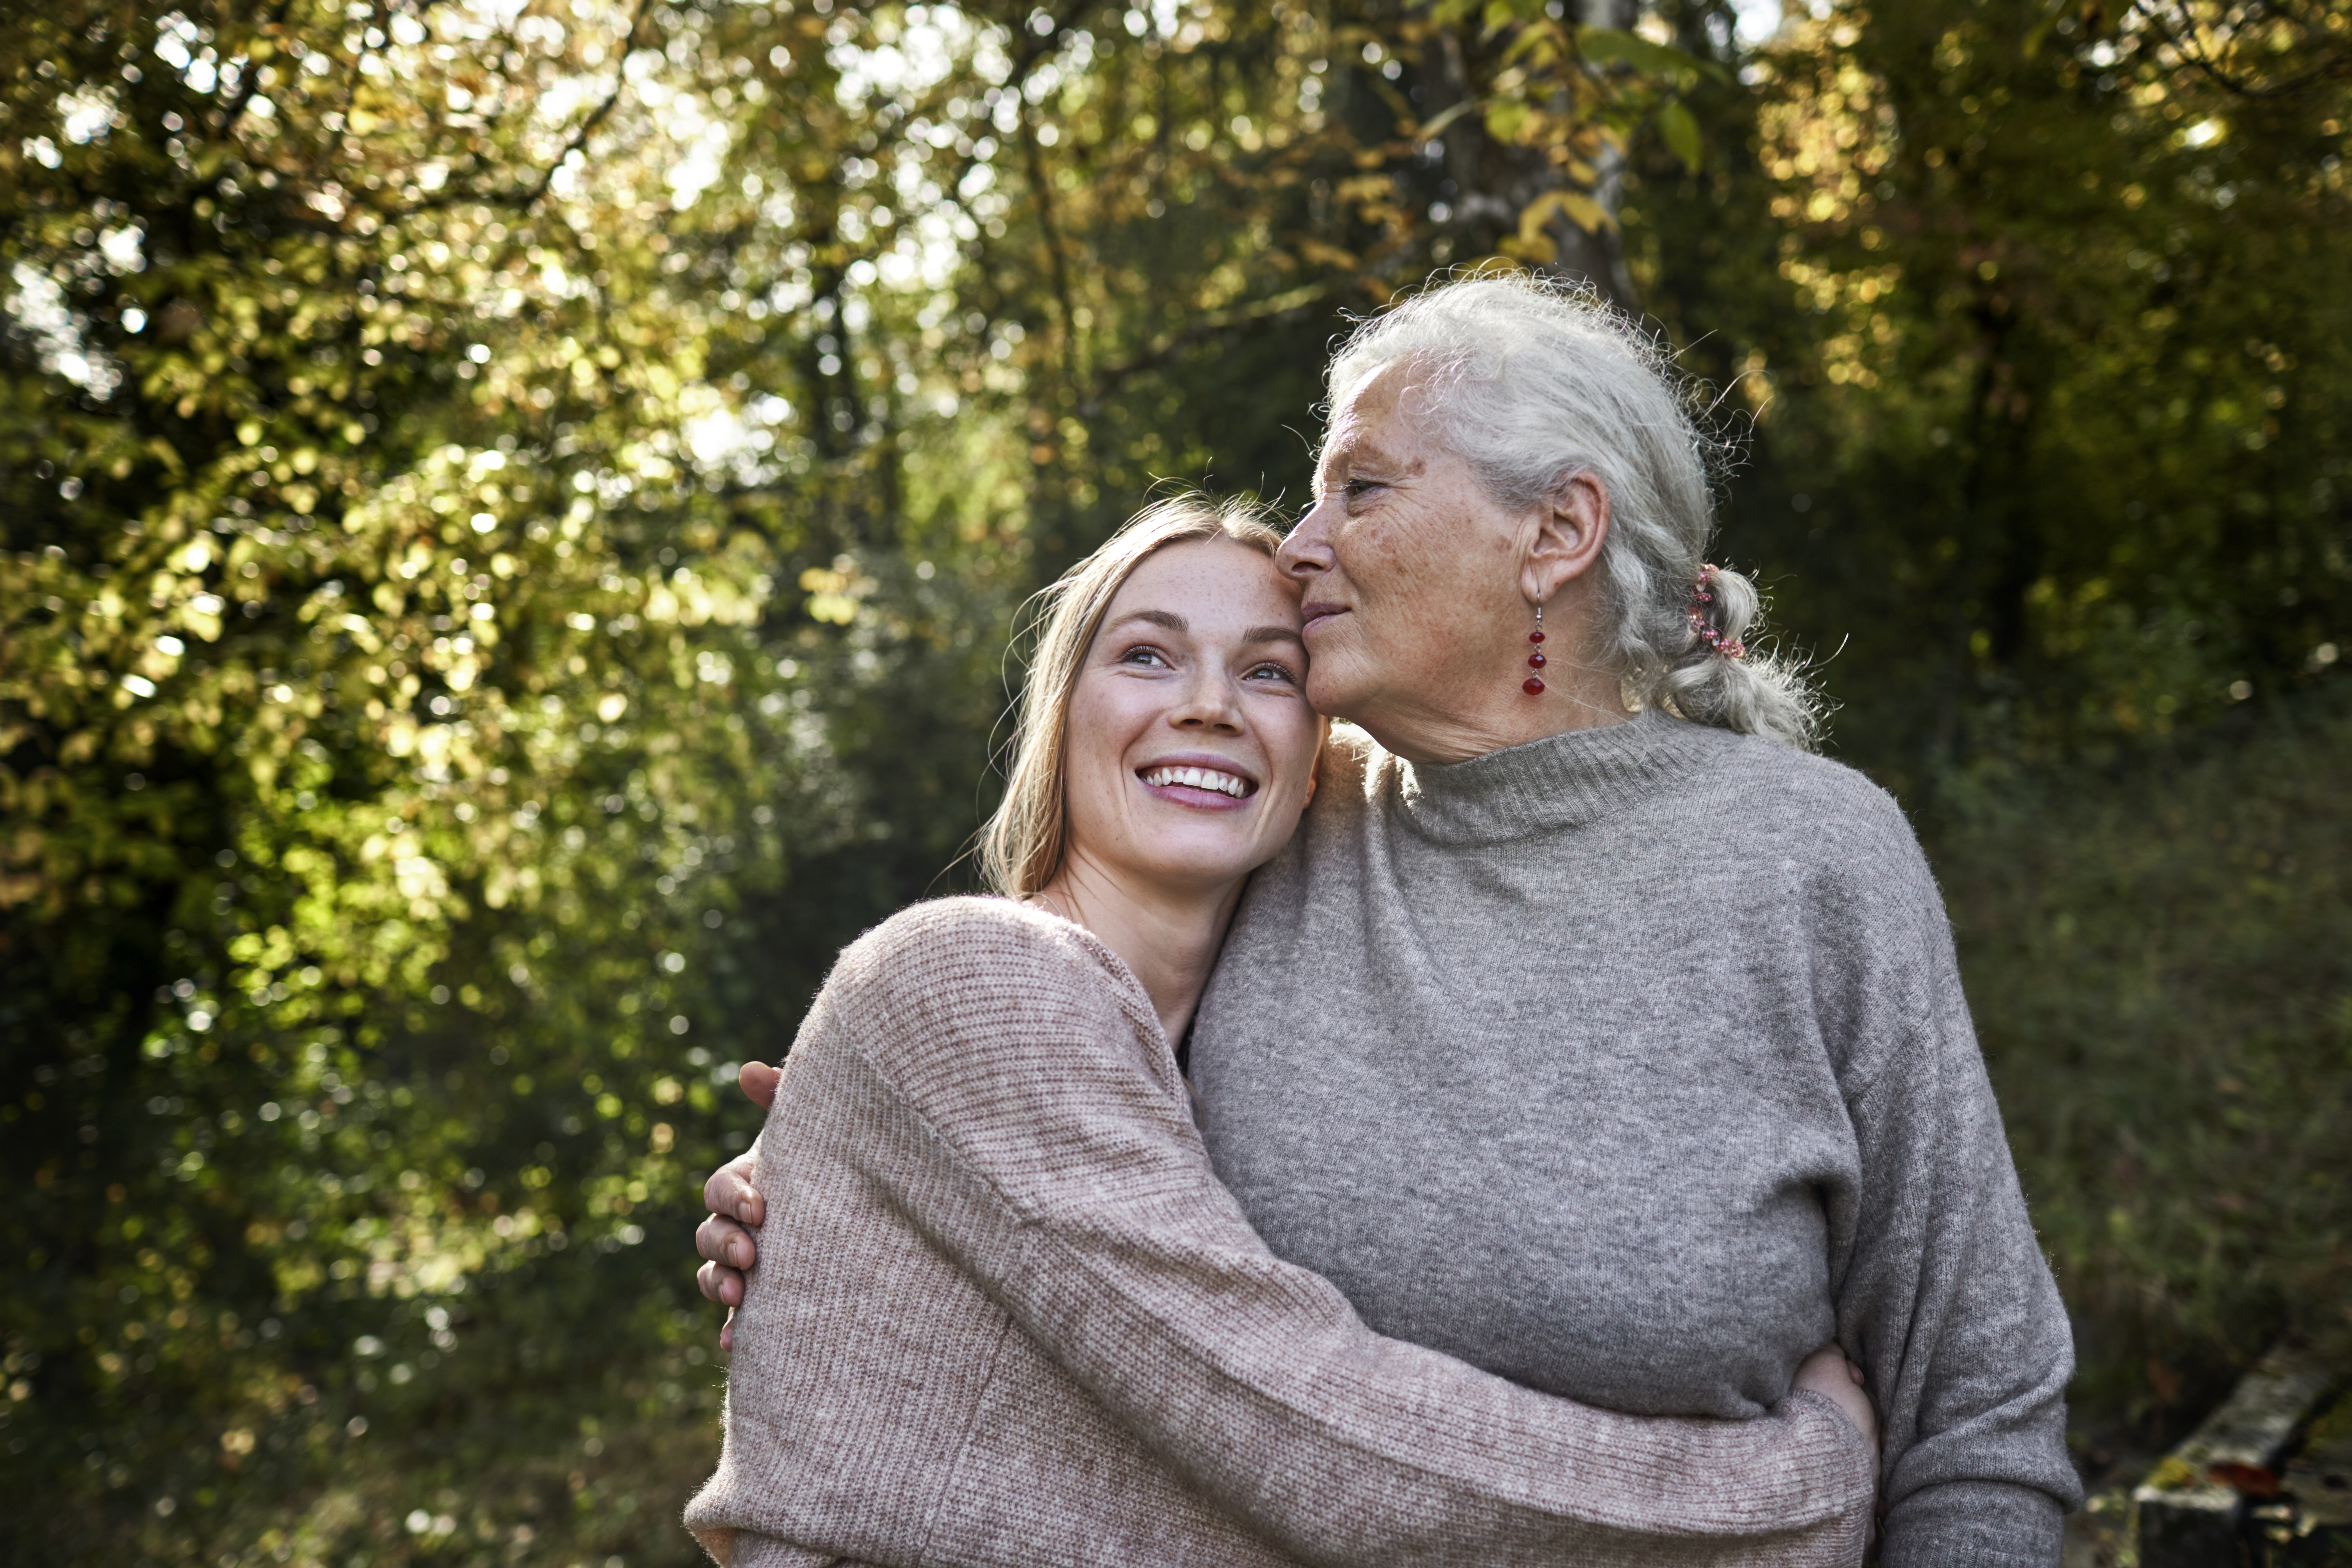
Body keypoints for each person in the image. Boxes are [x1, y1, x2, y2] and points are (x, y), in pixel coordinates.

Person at [699, 274, 2084, 1565]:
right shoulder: (1291, 818)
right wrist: (818, 1166)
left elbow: (1982, 1411)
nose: (1301, 548)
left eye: (1358, 488)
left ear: (1556, 531)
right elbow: (1030, 1049)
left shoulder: (1813, 860)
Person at [683, 497, 1878, 1568]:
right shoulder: (977, 977)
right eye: (1148, 655)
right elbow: (1312, 1439)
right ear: (1063, 716)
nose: (1207, 705)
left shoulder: (1229, 1067)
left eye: (1268, 674)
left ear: (1316, 761)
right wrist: (1798, 1489)